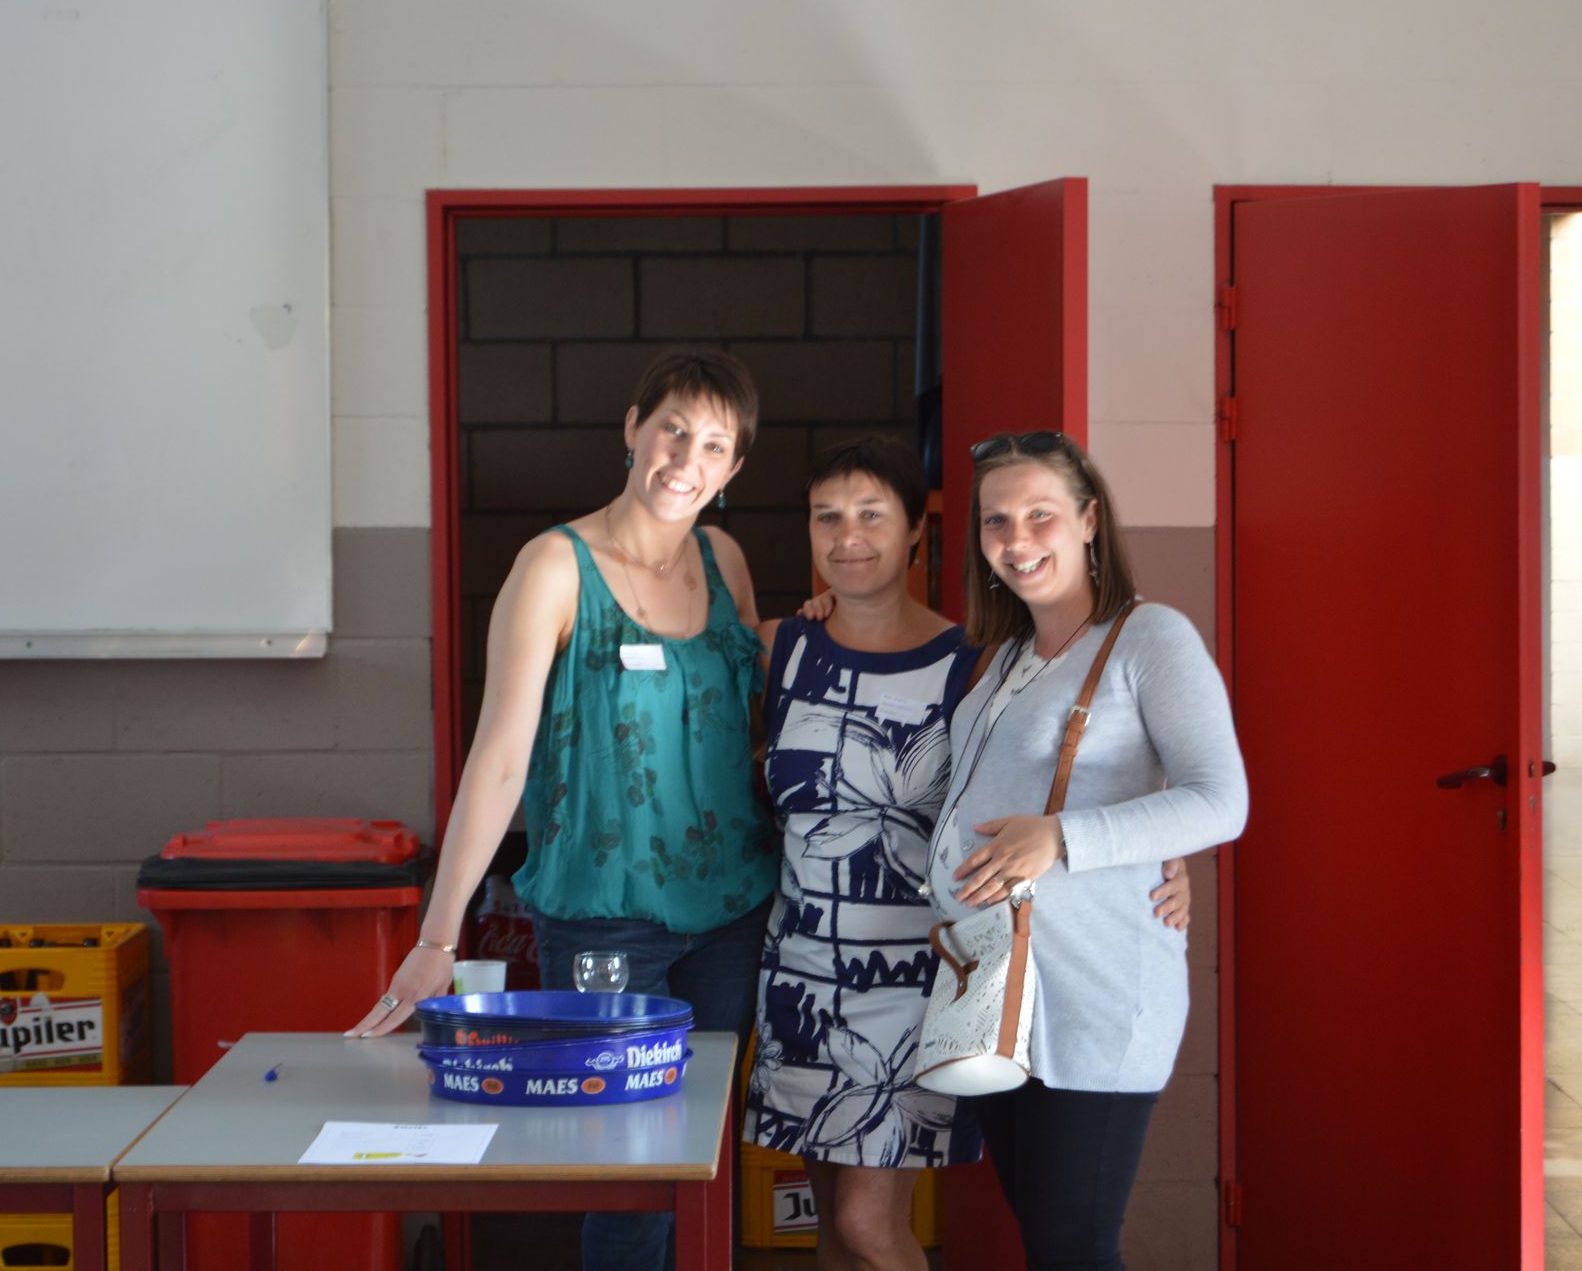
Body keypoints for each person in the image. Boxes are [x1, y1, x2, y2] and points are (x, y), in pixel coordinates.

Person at [348, 347, 776, 1271]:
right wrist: (438, 935)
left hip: (733, 911)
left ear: (734, 467)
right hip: (602, 914)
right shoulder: (555, 566)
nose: (686, 459)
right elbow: (500, 758)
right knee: (625, 1169)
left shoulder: (725, 561)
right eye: (671, 430)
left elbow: (751, 725)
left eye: (713, 445)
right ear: (632, 429)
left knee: (705, 1161)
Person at [747, 436, 1195, 1271]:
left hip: (920, 971)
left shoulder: (972, 662)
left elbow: (1073, 781)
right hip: (803, 966)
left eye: (872, 514)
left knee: (870, 1223)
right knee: (832, 1229)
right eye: (826, 516)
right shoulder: (784, 646)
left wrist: (1166, 855)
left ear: (918, 529)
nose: (848, 535)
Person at [928, 431, 1247, 1271]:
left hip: (1095, 996)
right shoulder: (1006, 658)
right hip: (998, 993)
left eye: (1041, 514)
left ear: (1090, 519)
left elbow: (1222, 800)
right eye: (996, 521)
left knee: (1073, 1246)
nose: (1017, 539)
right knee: (1047, 1239)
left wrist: (1062, 836)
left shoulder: (1150, 637)